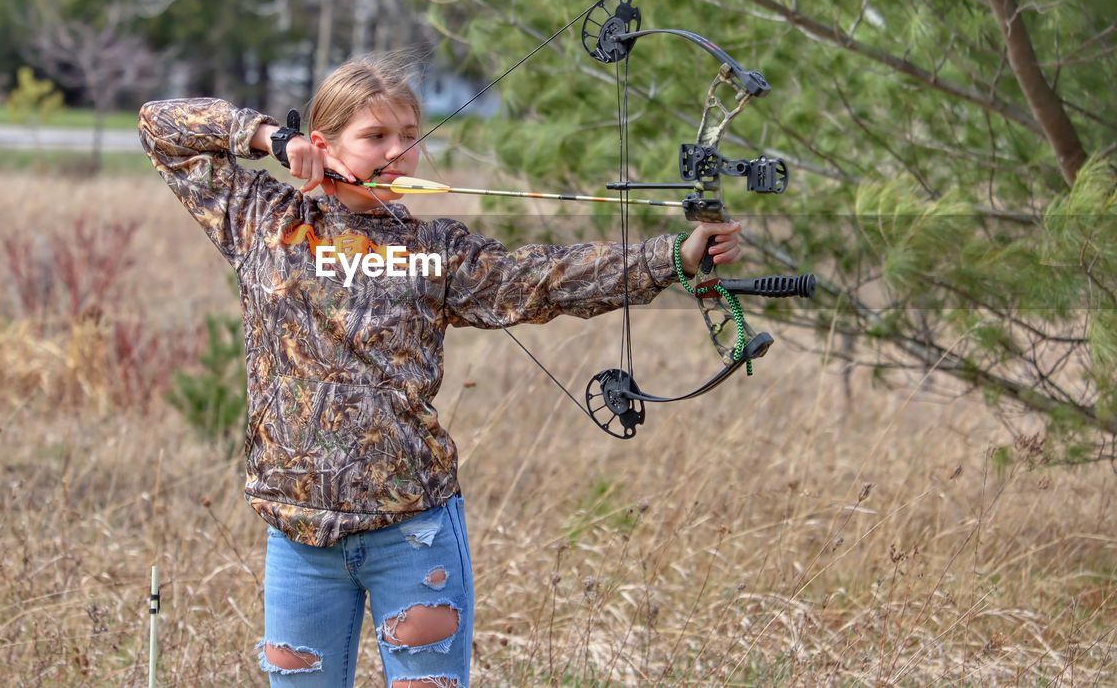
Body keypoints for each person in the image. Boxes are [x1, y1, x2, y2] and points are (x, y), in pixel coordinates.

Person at [137, 55, 742, 687]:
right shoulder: (264, 222)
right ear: (324, 145)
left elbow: (540, 278)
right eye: (376, 138)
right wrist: (270, 138)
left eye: (409, 137)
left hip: (413, 530)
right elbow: (161, 126)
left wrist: (673, 256)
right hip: (299, 534)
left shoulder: (434, 252)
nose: (398, 152)